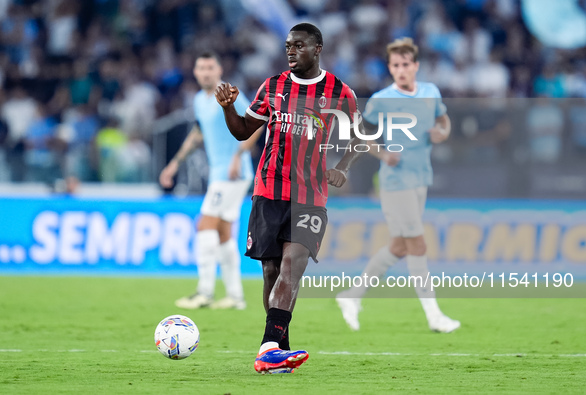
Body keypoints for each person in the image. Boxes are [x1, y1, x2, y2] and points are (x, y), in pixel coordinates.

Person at [214, 23, 364, 374]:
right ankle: (280, 350)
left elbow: (360, 138)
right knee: (271, 271)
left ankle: (267, 347)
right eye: (287, 46)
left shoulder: (340, 92)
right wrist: (228, 108)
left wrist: (342, 166)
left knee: (291, 266)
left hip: (310, 195)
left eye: (298, 45)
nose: (291, 51)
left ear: (318, 48)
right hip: (268, 190)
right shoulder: (273, 87)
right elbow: (242, 131)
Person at [336, 37, 461, 333]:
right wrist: (381, 152)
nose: (401, 70)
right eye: (395, 65)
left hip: (421, 178)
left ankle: (352, 296)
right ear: (390, 69)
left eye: (406, 64)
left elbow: (444, 121)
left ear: (415, 66)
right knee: (417, 243)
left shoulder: (430, 92)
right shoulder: (382, 99)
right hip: (395, 182)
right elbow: (360, 133)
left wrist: (442, 132)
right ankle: (434, 316)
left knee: (399, 246)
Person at [160, 52, 261, 310]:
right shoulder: (199, 100)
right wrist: (174, 164)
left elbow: (258, 124)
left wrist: (238, 156)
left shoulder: (227, 94)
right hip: (222, 174)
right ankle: (235, 297)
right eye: (201, 68)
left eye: (210, 67)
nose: (205, 72)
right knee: (223, 233)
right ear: (195, 72)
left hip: (230, 174)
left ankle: (204, 292)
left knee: (204, 225)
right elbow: (198, 134)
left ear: (218, 70)